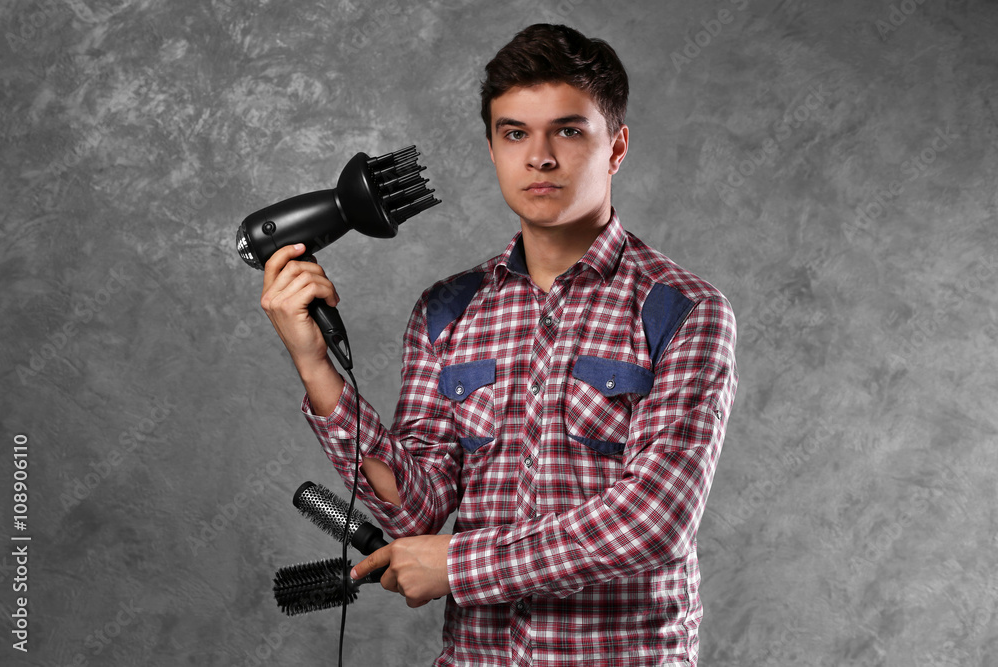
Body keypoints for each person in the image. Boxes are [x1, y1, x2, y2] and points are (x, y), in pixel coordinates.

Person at [261, 23, 738, 667]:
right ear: (491, 148)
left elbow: (653, 521)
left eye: (568, 131)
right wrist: (314, 364)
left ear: (617, 147)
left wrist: (461, 565)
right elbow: (414, 513)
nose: (539, 157)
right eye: (515, 133)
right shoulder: (446, 311)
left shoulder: (682, 311)